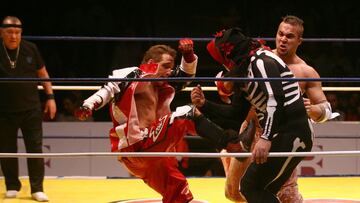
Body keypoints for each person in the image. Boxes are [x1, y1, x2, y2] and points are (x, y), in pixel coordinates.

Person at [75, 40, 252, 203]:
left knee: (178, 192)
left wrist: (188, 55)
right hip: (136, 146)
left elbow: (184, 76)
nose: (170, 71)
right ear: (151, 64)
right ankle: (230, 143)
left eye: (171, 67)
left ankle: (227, 142)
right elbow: (109, 88)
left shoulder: (162, 84)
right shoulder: (134, 76)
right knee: (187, 113)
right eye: (166, 66)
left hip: (153, 157)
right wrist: (88, 105)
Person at [218, 15, 340, 203]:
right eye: (280, 34)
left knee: (286, 195)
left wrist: (315, 110)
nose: (283, 39)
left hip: (282, 136)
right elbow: (227, 90)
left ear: (299, 40)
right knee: (234, 192)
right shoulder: (256, 57)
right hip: (251, 132)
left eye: (290, 36)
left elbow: (326, 108)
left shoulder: (305, 72)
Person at [191, 27, 313, 203]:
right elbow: (235, 114)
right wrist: (204, 104)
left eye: (223, 60)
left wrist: (266, 138)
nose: (224, 66)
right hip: (282, 134)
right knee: (261, 191)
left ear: (229, 55)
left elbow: (275, 99)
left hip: (293, 132)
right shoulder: (245, 72)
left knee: (250, 186)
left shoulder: (261, 60)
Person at [0, 16, 56, 202]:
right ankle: (12, 186)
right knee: (6, 149)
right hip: (4, 110)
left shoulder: (30, 48)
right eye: (9, 32)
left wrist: (50, 97)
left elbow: (43, 74)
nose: (13, 36)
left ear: (21, 33)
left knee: (34, 148)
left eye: (17, 32)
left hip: (31, 108)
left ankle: (37, 188)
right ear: (2, 32)